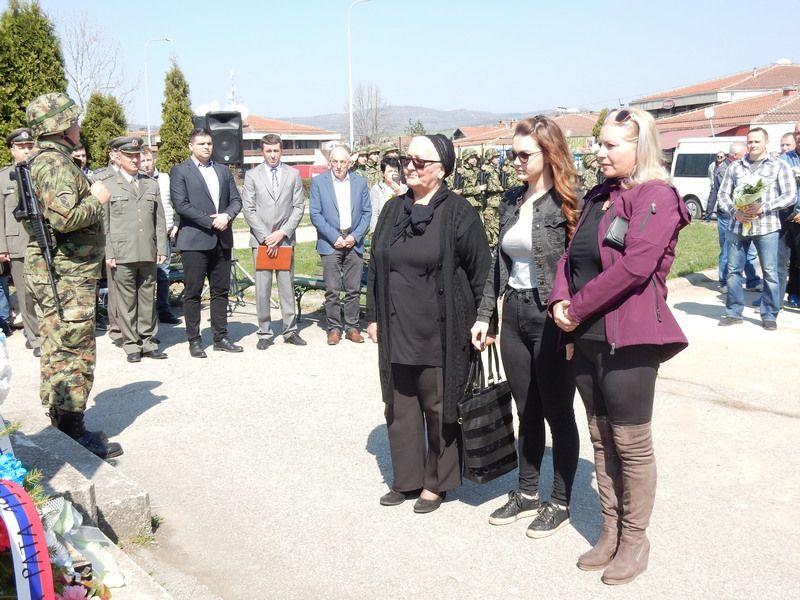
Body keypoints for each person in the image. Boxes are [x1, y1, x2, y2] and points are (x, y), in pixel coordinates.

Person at [550, 108, 691, 585]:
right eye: (600, 143)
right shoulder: (601, 196)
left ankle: (635, 538)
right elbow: (570, 256)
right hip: (586, 336)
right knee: (600, 437)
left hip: (630, 338)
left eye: (610, 145)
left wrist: (579, 306)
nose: (599, 151)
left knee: (630, 445)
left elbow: (634, 267)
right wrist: (558, 301)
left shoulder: (659, 197)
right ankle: (609, 531)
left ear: (640, 147)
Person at [367, 134, 490, 514]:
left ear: (442, 168)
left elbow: (481, 271)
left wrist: (484, 319)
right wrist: (372, 315)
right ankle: (407, 479)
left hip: (441, 330)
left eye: (420, 162)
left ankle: (436, 483)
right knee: (400, 406)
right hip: (397, 327)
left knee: (439, 407)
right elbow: (376, 267)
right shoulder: (392, 210)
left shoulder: (458, 212)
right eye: (407, 160)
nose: (410, 167)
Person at [470, 116, 580, 537]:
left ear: (548, 153)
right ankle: (528, 492)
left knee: (557, 412)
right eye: (511, 154)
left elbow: (579, 267)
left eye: (522, 154)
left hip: (551, 318)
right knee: (526, 410)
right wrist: (486, 315)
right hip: (515, 312)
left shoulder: (569, 202)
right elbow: (499, 264)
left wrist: (574, 324)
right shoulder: (512, 200)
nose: (514, 161)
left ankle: (561, 500)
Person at [24, 92, 122, 459]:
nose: (79, 127)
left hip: (60, 274)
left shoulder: (46, 160)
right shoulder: (55, 164)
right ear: (62, 127)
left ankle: (62, 426)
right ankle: (72, 433)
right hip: (67, 277)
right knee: (73, 352)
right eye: (74, 121)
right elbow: (65, 218)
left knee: (58, 346)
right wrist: (96, 198)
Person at [170, 128, 243, 358]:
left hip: (222, 240)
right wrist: (211, 221)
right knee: (193, 292)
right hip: (194, 241)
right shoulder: (180, 171)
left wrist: (227, 216)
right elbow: (181, 204)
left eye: (209, 143)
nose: (206, 147)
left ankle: (220, 336)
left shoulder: (222, 170)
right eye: (201, 143)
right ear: (191, 146)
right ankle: (194, 339)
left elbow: (235, 200)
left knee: (220, 291)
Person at [94, 137, 167, 363]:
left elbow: (159, 220)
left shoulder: (150, 183)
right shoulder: (106, 182)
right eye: (130, 156)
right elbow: (103, 222)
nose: (135, 160)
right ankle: (131, 344)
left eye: (138, 156)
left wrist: (161, 246)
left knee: (147, 297)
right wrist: (109, 252)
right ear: (118, 157)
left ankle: (148, 341)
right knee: (126, 301)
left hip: (147, 249)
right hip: (122, 252)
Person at [717, 127, 796, 329]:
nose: (752, 145)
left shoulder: (779, 166)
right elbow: (723, 194)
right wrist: (735, 212)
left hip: (766, 226)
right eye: (750, 141)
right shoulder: (735, 167)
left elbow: (789, 196)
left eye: (757, 142)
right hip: (737, 226)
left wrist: (764, 207)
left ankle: (769, 314)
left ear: (766, 143)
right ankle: (733, 312)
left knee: (770, 272)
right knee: (733, 271)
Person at [242, 134, 306, 349]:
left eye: (276, 151)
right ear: (262, 152)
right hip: (261, 241)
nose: (272, 155)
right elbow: (248, 209)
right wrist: (265, 236)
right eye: (268, 151)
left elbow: (298, 206)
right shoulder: (252, 176)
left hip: (285, 240)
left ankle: (290, 330)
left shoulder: (293, 174)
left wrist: (283, 233)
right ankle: (265, 332)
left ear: (281, 151)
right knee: (263, 288)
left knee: (287, 285)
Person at [309, 145, 371, 345]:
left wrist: (355, 236)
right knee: (333, 290)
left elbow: (366, 213)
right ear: (330, 163)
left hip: (353, 241)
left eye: (342, 161)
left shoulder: (360, 183)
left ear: (349, 163)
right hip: (330, 242)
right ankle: (334, 328)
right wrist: (334, 236)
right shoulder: (319, 183)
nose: (338, 165)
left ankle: (352, 326)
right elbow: (315, 214)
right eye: (334, 161)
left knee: (353, 289)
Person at [0, 128, 41, 354]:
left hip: (45, 243)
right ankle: (34, 338)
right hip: (18, 246)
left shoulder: (42, 172)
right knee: (25, 295)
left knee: (46, 292)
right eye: (21, 147)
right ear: (12, 150)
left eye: (29, 146)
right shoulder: (2, 177)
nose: (26, 151)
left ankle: (48, 334)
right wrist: (2, 246)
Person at [708, 142, 761, 292]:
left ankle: (752, 280)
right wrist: (709, 211)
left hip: (745, 214)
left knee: (749, 249)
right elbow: (719, 191)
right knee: (727, 249)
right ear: (735, 155)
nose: (747, 154)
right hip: (728, 215)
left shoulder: (745, 167)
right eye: (744, 152)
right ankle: (724, 281)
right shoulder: (724, 169)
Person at [140, 146, 180, 325]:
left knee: (163, 273)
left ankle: (164, 309)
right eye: (142, 161)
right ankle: (147, 315)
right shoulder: (137, 181)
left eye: (148, 160)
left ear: (154, 159)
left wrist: (176, 223)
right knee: (146, 276)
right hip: (145, 236)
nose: (146, 164)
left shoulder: (165, 178)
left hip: (165, 233)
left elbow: (177, 202)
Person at [778, 123, 800, 309]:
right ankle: (773, 297)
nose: (798, 136)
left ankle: (795, 292)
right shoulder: (785, 159)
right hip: (785, 216)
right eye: (796, 132)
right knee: (779, 260)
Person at [369, 156, 405, 232]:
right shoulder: (377, 189)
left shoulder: (405, 189)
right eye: (390, 171)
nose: (393, 174)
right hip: (383, 229)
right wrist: (374, 233)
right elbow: (374, 214)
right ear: (383, 173)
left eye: (395, 171)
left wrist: (401, 194)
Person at [481, 148, 504, 247]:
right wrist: (499, 188)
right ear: (490, 158)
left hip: (497, 200)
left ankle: (496, 244)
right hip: (490, 201)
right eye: (495, 157)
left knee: (497, 225)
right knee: (490, 225)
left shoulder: (496, 168)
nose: (497, 159)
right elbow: (488, 186)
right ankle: (490, 246)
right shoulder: (487, 169)